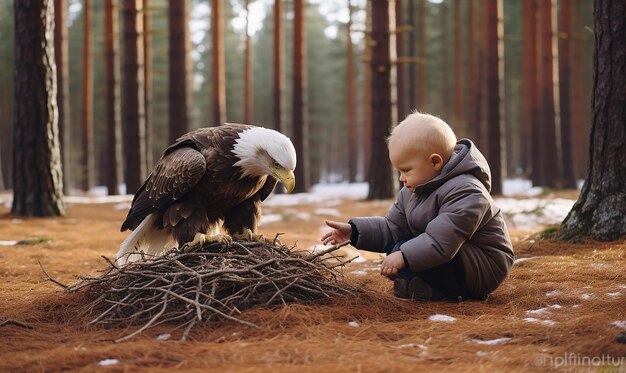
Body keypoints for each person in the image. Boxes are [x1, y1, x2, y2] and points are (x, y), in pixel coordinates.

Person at [321, 112, 514, 301]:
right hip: (449, 256)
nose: (401, 178)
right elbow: (392, 228)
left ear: (435, 162)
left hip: (480, 267)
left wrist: (404, 255)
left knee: (402, 248)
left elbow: (442, 243)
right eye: (398, 171)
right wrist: (354, 232)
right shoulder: (412, 190)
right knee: (398, 245)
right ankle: (423, 287)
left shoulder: (467, 191)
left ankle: (450, 292)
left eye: (406, 170)